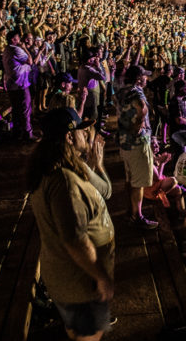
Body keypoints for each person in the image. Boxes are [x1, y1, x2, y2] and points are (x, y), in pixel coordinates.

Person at [29, 107, 114, 341]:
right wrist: (101, 276)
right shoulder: (64, 181)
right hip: (80, 282)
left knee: (76, 331)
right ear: (68, 137)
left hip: (69, 278)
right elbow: (74, 238)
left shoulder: (59, 167)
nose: (86, 135)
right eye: (80, 131)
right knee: (88, 337)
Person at [116, 64, 157, 229]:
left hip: (123, 141)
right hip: (136, 142)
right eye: (145, 76)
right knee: (138, 182)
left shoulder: (121, 91)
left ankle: (130, 210)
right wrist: (138, 128)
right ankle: (137, 216)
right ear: (139, 78)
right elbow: (141, 108)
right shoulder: (137, 93)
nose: (147, 78)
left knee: (130, 179)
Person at [2, 29, 36, 141]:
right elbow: (30, 61)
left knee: (16, 110)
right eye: (18, 38)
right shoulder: (16, 49)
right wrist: (24, 48)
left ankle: (17, 133)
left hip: (12, 83)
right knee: (25, 109)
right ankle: (28, 134)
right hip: (21, 83)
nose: (20, 40)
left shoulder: (7, 49)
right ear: (13, 39)